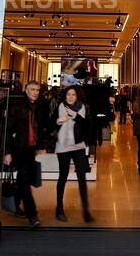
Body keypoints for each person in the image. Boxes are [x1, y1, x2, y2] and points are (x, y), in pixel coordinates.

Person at [3, 81, 43, 227]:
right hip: (18, 149)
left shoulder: (37, 106)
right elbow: (7, 129)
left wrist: (38, 144)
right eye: (32, 89)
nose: (35, 92)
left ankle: (16, 206)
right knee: (25, 181)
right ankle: (32, 215)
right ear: (26, 90)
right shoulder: (17, 106)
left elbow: (38, 126)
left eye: (37, 90)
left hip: (30, 149)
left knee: (23, 179)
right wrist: (6, 152)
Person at [53, 86, 94, 223]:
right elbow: (50, 123)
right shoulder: (58, 107)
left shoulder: (82, 108)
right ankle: (59, 209)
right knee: (63, 176)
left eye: (73, 95)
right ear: (65, 96)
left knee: (81, 176)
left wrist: (75, 116)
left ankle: (86, 210)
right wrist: (57, 121)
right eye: (69, 94)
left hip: (78, 145)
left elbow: (88, 125)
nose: (71, 97)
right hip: (63, 145)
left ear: (77, 97)